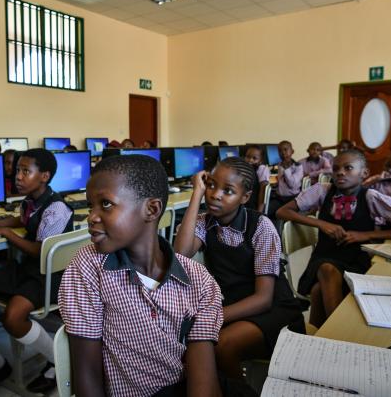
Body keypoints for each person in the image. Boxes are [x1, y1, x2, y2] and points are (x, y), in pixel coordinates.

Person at [59, 155, 224, 396]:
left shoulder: (198, 280)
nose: (91, 217)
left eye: (105, 204)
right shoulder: (90, 266)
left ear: (152, 209)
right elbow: (87, 376)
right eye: (90, 205)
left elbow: (203, 384)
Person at [175, 157, 305, 378]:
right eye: (212, 185)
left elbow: (263, 299)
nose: (215, 194)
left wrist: (212, 316)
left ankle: (237, 390)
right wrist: (196, 194)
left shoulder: (261, 227)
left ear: (244, 197)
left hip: (271, 309)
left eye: (228, 191)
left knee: (222, 345)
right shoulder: (205, 222)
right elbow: (180, 254)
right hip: (231, 305)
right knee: (189, 347)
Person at [0, 148, 73, 396]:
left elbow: (41, 251)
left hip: (49, 275)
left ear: (44, 176)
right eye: (17, 170)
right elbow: (23, 219)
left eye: (25, 171)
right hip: (28, 268)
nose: (18, 177)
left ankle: (59, 360)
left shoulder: (56, 209)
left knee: (12, 319)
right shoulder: (31, 201)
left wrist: (7, 235)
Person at [277, 150, 391, 327]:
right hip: (324, 257)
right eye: (336, 168)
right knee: (327, 269)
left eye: (348, 168)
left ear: (364, 173)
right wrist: (321, 224)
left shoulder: (371, 197)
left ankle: (323, 334)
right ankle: (339, 331)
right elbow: (282, 211)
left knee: (318, 291)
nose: (340, 172)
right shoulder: (322, 191)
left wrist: (367, 235)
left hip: (357, 261)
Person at [268, 140, 303, 218]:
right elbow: (274, 182)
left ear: (292, 151)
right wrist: (274, 183)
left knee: (285, 216)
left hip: (293, 198)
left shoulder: (298, 167)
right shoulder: (277, 166)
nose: (283, 153)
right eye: (280, 151)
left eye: (285, 149)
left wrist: (286, 169)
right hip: (279, 198)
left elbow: (292, 184)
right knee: (267, 211)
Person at [244, 144, 270, 213]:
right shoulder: (245, 169)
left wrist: (258, 213)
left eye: (254, 158)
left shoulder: (262, 169)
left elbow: (263, 191)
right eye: (247, 157)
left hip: (253, 205)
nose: (250, 160)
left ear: (260, 160)